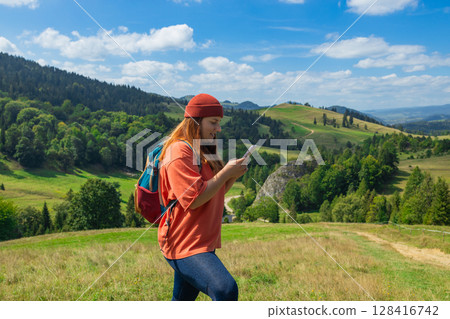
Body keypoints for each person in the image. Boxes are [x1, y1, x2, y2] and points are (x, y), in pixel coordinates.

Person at [158, 93, 248, 301]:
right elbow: (195, 199)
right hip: (183, 242)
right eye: (214, 122)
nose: (218, 128)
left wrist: (232, 175)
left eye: (219, 123)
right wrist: (226, 172)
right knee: (225, 290)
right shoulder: (179, 152)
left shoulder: (206, 147)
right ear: (196, 121)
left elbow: (214, 193)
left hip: (201, 241)